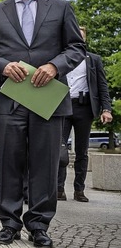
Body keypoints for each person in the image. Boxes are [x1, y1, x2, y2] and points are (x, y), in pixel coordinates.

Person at [0, 0, 85, 247]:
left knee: (45, 164)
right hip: (9, 101)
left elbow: (76, 47)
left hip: (48, 101)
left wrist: (55, 66)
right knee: (8, 164)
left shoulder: (62, 8)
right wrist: (2, 65)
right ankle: (9, 223)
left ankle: (39, 224)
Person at [58, 26, 113, 202]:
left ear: (84, 40)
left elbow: (102, 85)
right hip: (63, 106)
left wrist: (106, 109)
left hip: (84, 108)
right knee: (60, 150)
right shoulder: (60, 59)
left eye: (79, 37)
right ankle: (59, 190)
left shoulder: (93, 60)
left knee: (82, 151)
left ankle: (79, 190)